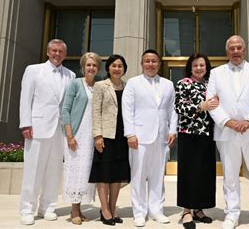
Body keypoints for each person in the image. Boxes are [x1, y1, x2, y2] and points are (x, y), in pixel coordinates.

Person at [206, 35, 249, 229]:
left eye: (239, 47)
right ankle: (232, 213)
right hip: (227, 133)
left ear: (244, 49)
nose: (236, 51)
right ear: (227, 51)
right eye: (232, 48)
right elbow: (211, 101)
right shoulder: (216, 73)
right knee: (230, 175)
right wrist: (228, 122)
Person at [19, 39, 75, 225]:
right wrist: (25, 124)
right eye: (53, 50)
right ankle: (27, 209)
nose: (57, 54)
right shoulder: (33, 70)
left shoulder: (71, 75)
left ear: (65, 54)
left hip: (60, 131)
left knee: (54, 171)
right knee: (33, 170)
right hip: (37, 128)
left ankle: (48, 206)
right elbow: (25, 98)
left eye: (60, 51)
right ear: (48, 52)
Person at [122, 49, 178, 227]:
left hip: (161, 137)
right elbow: (127, 110)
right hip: (139, 137)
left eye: (154, 61)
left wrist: (173, 130)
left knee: (157, 176)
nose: (151, 64)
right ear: (141, 63)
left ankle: (156, 210)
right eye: (147, 61)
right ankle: (139, 212)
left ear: (159, 64)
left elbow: (172, 109)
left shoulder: (168, 84)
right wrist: (130, 133)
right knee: (138, 176)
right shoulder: (133, 83)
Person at [175, 54, 218, 229]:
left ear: (206, 67)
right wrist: (200, 106)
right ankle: (186, 210)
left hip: (208, 133)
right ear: (190, 67)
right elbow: (179, 106)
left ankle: (199, 209)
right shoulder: (183, 83)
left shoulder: (210, 85)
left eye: (202, 65)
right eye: (195, 65)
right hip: (189, 134)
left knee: (204, 172)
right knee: (189, 172)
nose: (199, 68)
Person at [90, 54, 131, 226]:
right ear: (108, 68)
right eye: (114, 65)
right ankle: (104, 210)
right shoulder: (100, 86)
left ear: (124, 69)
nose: (117, 68)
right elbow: (95, 111)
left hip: (122, 137)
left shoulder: (128, 87)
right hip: (106, 137)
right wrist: (97, 135)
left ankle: (112, 209)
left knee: (117, 175)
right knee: (104, 174)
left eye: (120, 66)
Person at [61, 52, 100, 225]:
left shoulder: (97, 87)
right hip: (76, 135)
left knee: (85, 173)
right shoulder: (76, 84)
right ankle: (74, 210)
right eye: (88, 65)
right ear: (83, 67)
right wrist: (69, 136)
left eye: (94, 65)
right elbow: (65, 110)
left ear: (98, 68)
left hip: (91, 136)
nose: (91, 68)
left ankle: (79, 208)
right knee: (75, 171)